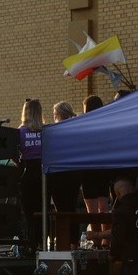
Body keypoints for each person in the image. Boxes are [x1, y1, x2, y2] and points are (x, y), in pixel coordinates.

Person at [48, 101, 82, 249]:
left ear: (59, 115)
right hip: (75, 173)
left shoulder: (56, 129)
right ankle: (75, 241)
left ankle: (63, 243)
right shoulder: (77, 127)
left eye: (55, 115)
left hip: (60, 173)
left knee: (61, 210)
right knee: (72, 208)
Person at [79, 95, 112, 245]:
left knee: (91, 210)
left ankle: (97, 242)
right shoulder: (105, 123)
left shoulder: (84, 125)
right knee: (104, 208)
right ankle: (106, 241)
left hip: (88, 169)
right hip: (104, 168)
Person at [16, 98, 45, 250]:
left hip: (26, 175)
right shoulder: (46, 131)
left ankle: (30, 244)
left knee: (28, 212)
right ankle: (42, 243)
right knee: (42, 210)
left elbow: (14, 155)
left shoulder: (19, 132)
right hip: (44, 176)